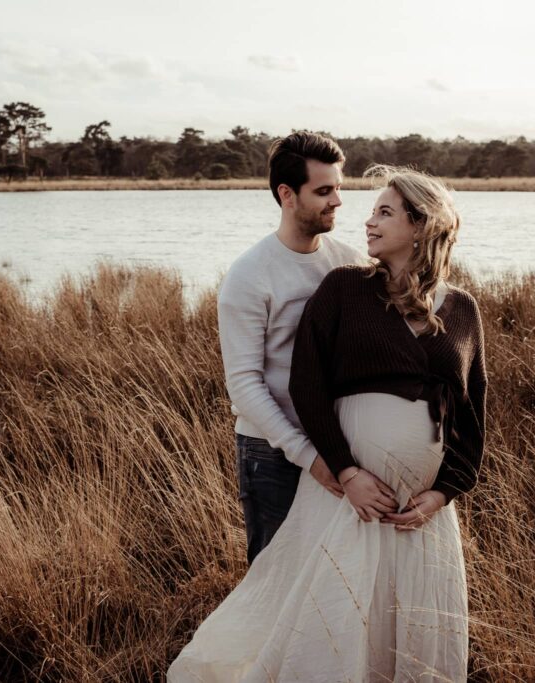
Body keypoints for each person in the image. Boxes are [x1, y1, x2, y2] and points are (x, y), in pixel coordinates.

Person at [169, 165, 487, 682]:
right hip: (349, 496)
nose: (367, 221)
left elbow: (473, 413)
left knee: (404, 622)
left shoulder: (463, 309)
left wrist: (444, 492)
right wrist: (345, 471)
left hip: (419, 511)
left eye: (384, 212)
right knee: (326, 616)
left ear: (422, 225)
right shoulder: (345, 289)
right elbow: (307, 387)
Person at [214, 131, 366, 566]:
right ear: (287, 195)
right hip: (270, 452)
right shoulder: (249, 275)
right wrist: (308, 456)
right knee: (273, 578)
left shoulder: (349, 262)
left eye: (338, 188)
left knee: (331, 575)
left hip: (339, 446)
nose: (337, 201)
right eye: (323, 191)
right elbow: (244, 384)